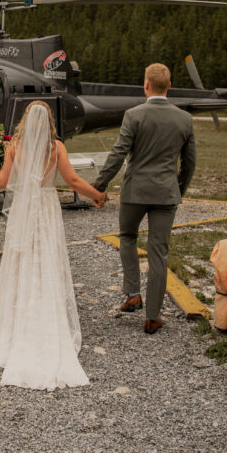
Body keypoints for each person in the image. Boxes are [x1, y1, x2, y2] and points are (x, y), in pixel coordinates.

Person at [0, 101, 106, 390]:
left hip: (24, 208)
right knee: (47, 257)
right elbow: (72, 180)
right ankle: (48, 313)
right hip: (47, 206)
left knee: (21, 259)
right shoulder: (56, 147)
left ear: (25, 120)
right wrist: (96, 195)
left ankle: (18, 316)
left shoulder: (14, 147)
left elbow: (1, 181)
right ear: (49, 121)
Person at [92, 63, 196, 335]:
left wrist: (99, 186)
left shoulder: (133, 115)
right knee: (158, 251)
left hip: (135, 192)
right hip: (166, 193)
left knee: (127, 237)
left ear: (146, 85)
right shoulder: (184, 119)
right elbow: (190, 163)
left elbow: (118, 153)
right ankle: (152, 317)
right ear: (169, 86)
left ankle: (132, 293)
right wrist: (177, 189)